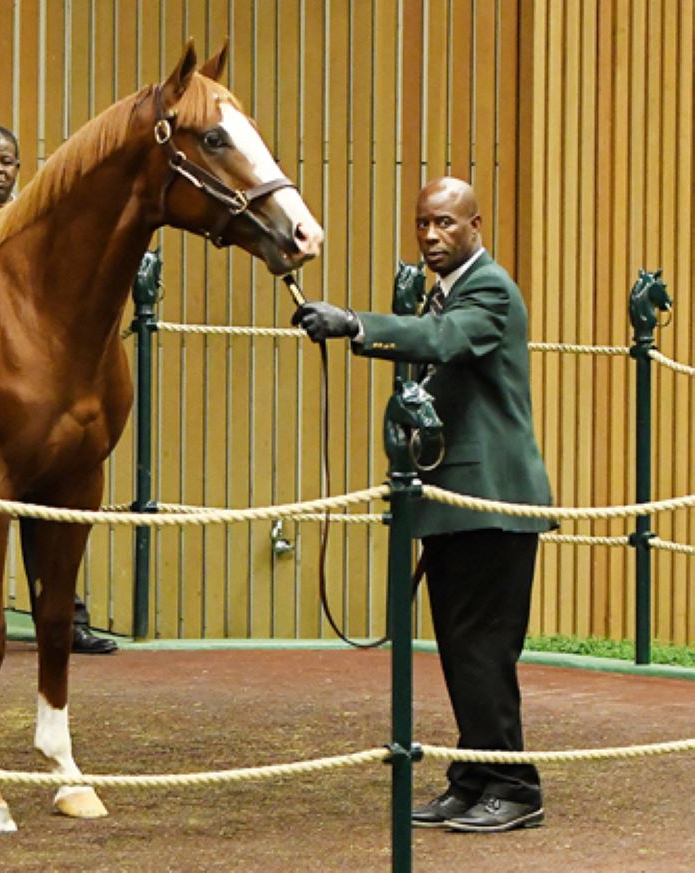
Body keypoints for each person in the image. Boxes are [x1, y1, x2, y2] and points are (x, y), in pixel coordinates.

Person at [295, 177, 553, 833]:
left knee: (482, 647)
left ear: (475, 225)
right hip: (457, 504)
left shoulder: (488, 289)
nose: (432, 236)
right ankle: (474, 777)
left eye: (444, 223)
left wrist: (354, 323)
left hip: (491, 502)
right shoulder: (444, 292)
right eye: (422, 224)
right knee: (461, 647)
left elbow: (441, 341)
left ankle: (514, 786)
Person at [0, 125, 118, 655]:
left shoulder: (43, 229)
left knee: (54, 505)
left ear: (19, 168)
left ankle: (63, 620)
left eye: (7, 162)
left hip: (38, 392)